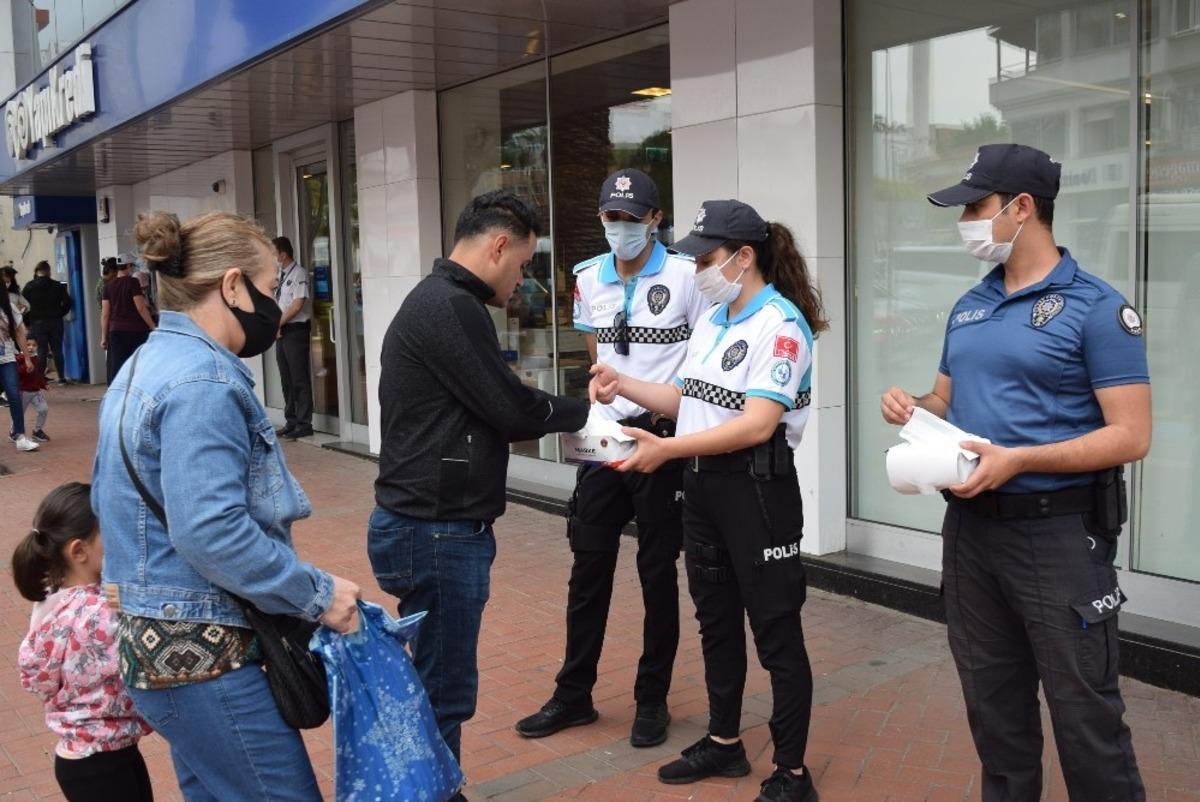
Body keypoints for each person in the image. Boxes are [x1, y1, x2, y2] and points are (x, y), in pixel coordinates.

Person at [880, 143, 1149, 802]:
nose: (966, 220)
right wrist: (914, 406)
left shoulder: (1096, 309)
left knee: (1087, 721)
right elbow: (947, 401)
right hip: (971, 535)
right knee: (994, 714)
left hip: (1057, 538)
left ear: (1022, 208)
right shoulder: (970, 306)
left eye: (976, 205)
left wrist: (1020, 459)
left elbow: (1132, 435)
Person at [92, 210, 362, 802]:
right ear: (232, 285)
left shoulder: (144, 365)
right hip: (204, 657)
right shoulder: (204, 380)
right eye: (269, 289)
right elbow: (210, 529)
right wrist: (319, 595)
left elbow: (110, 500)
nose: (273, 306)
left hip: (157, 647)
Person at [589, 199, 827, 802]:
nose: (696, 270)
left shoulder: (781, 324)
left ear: (745, 257)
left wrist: (667, 453)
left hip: (756, 491)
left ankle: (792, 771)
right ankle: (725, 744)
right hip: (702, 489)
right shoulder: (715, 319)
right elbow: (682, 399)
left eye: (707, 258)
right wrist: (623, 384)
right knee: (716, 621)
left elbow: (754, 425)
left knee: (775, 630)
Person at [368, 190, 589, 779]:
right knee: (444, 689)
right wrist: (585, 411)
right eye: (521, 264)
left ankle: (433, 787)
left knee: (436, 681)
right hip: (436, 530)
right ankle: (430, 791)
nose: (521, 281)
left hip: (424, 524)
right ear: (497, 246)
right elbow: (511, 408)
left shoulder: (436, 300)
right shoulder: (451, 306)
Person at [516, 169, 708, 748]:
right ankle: (573, 694)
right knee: (588, 568)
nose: (618, 227)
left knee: (656, 574)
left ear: (654, 218)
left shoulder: (685, 276)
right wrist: (601, 388)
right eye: (610, 217)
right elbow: (598, 354)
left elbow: (700, 362)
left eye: (631, 217)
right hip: (604, 440)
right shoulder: (587, 278)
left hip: (661, 440)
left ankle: (652, 700)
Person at [13, 482, 154, 802]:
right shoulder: (95, 617)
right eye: (112, 534)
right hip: (103, 761)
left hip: (88, 753)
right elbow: (143, 653)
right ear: (79, 551)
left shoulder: (55, 597)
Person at [272, 236, 313, 439]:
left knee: (299, 378)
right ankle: (292, 420)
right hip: (282, 332)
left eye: (274, 253)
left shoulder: (299, 274)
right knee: (286, 379)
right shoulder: (279, 276)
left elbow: (297, 305)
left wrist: (277, 323)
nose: (273, 257)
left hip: (295, 331)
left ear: (283, 254)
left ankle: (305, 423)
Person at [101, 252, 156, 383]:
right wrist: (153, 326)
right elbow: (141, 308)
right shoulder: (133, 282)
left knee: (118, 368)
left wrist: (104, 336)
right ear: (128, 266)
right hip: (136, 331)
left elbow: (105, 314)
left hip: (115, 332)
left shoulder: (108, 286)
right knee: (139, 366)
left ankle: (118, 397)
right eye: (132, 266)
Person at [0, 285, 38, 452]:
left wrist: (27, 358)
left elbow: (20, 333)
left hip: (7, 358)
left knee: (14, 395)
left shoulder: (9, 307)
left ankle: (20, 436)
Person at [22, 261, 73, 384]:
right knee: (57, 350)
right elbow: (67, 302)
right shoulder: (57, 285)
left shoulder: (29, 287)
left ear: (36, 271)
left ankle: (40, 379)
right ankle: (61, 378)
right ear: (48, 271)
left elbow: (23, 307)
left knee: (41, 351)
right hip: (55, 322)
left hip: (37, 323)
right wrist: (60, 313)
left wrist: (27, 323)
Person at [15, 336, 50, 442]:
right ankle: (14, 432)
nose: (31, 348)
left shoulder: (36, 358)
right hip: (23, 391)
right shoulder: (19, 358)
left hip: (36, 391)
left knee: (43, 409)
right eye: (28, 345)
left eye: (34, 345)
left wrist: (44, 384)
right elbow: (16, 373)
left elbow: (38, 374)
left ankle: (37, 431)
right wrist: (26, 366)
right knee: (19, 413)